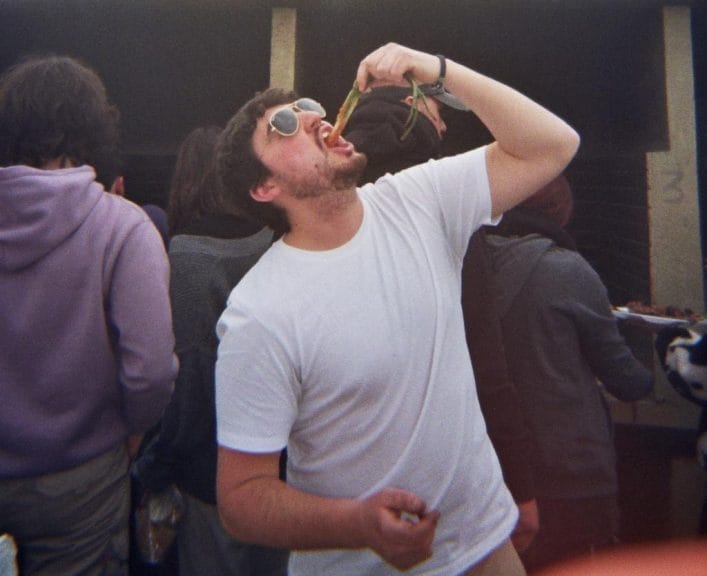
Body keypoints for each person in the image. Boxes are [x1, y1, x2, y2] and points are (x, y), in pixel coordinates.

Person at [214, 42, 579, 576]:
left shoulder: (417, 201)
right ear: (264, 187)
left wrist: (437, 71)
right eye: (285, 125)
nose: (313, 118)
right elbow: (242, 499)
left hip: (485, 546)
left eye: (309, 106)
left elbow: (552, 146)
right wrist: (356, 523)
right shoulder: (259, 312)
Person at [0, 55, 177, 574]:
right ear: (94, 127)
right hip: (82, 478)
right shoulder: (123, 228)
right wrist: (133, 430)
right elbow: (149, 369)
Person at [342, 84, 539, 553]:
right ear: (410, 104)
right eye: (438, 109)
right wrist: (521, 483)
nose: (446, 124)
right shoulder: (442, 200)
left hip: (345, 475)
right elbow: (482, 356)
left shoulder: (330, 191)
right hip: (439, 481)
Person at [131, 126, 288, 575]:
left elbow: (190, 387)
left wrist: (152, 470)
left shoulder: (189, 255)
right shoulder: (276, 240)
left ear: (184, 181)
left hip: (210, 477)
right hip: (280, 466)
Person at [483, 174, 654, 572]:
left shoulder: (468, 269)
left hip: (496, 471)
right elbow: (627, 382)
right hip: (572, 475)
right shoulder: (567, 269)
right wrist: (667, 348)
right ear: (561, 210)